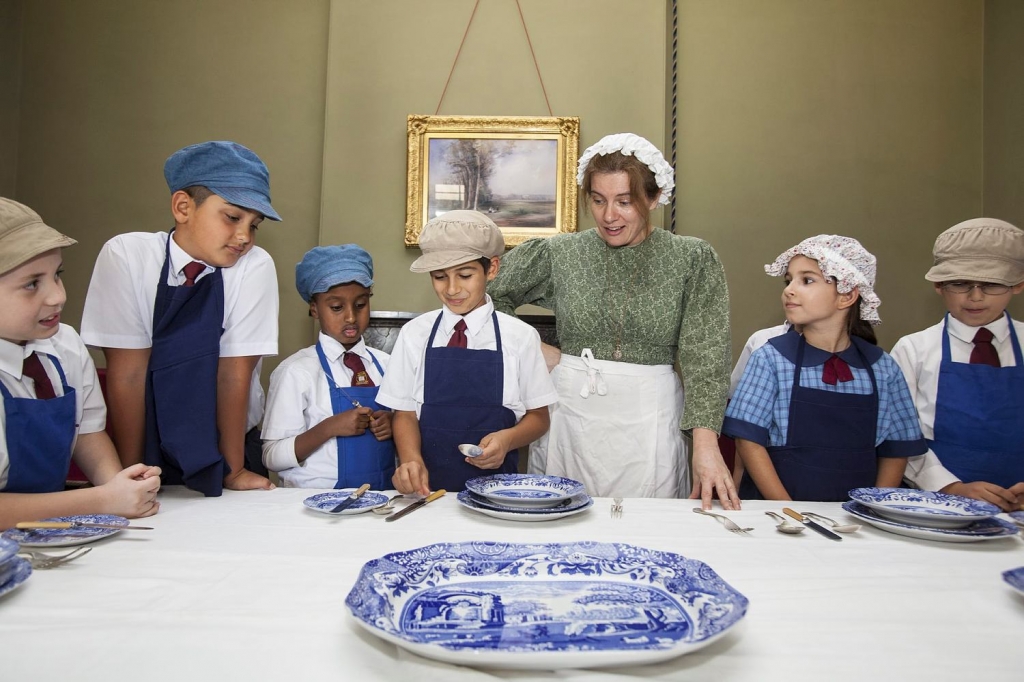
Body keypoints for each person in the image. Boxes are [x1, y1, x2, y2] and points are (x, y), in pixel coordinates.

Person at [487, 133, 736, 508]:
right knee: (560, 523)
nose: (608, 216)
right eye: (599, 200)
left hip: (651, 418)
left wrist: (706, 444)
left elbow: (707, 358)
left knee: (648, 532)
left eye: (625, 202)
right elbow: (488, 296)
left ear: (653, 198)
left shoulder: (691, 259)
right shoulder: (561, 253)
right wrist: (537, 348)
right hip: (569, 415)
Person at [81, 141, 280, 496]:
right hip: (145, 441)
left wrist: (232, 469)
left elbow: (234, 374)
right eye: (233, 217)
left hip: (226, 442)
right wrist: (130, 472)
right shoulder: (128, 256)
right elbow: (128, 373)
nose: (244, 237)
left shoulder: (254, 265)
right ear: (183, 207)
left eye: (254, 225)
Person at [723, 235, 927, 501]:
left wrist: (875, 505)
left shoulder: (883, 368)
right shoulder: (771, 359)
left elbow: (896, 449)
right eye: (788, 280)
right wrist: (786, 508)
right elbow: (749, 443)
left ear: (847, 295)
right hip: (779, 516)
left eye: (807, 280)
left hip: (856, 519)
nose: (789, 289)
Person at [0, 198, 160, 529]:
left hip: (46, 530)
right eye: (32, 283)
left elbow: (86, 432)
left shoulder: (66, 345)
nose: (58, 296)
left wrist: (119, 486)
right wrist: (102, 500)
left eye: (56, 275)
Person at [376, 211, 557, 495]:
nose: (452, 288)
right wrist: (411, 459)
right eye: (439, 277)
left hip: (498, 492)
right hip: (426, 490)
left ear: (492, 269)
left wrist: (508, 439)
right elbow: (404, 413)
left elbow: (539, 417)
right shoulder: (414, 334)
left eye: (465, 274)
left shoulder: (520, 337)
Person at [892, 218, 1024, 511]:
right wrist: (949, 486)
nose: (975, 297)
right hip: (935, 505)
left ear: (1017, 285)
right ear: (939, 285)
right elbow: (901, 436)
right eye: (960, 283)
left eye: (991, 284)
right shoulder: (914, 350)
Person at [261, 244, 395, 489]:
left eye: (360, 304)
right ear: (314, 309)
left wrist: (395, 425)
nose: (351, 317)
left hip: (382, 501)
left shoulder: (388, 366)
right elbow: (271, 457)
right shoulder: (296, 372)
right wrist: (328, 428)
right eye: (336, 307)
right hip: (312, 505)